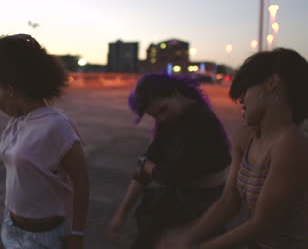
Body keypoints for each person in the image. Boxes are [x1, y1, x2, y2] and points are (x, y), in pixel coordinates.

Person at [157, 48, 308, 249]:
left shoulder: (292, 143)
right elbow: (229, 201)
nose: (240, 99)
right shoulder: (246, 137)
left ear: (272, 83)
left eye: (246, 89)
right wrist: (187, 236)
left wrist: (201, 247)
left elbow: (262, 224)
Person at [0, 34, 89, 249]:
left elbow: (81, 182)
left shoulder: (57, 125)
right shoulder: (19, 118)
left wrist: (77, 234)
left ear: (10, 89)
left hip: (45, 236)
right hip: (11, 226)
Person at [106, 73, 231, 248]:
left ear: (175, 93)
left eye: (163, 110)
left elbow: (173, 175)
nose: (161, 119)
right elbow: (147, 165)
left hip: (204, 206)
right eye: (155, 116)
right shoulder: (171, 120)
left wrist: (148, 166)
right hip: (181, 201)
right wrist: (121, 213)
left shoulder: (202, 122)